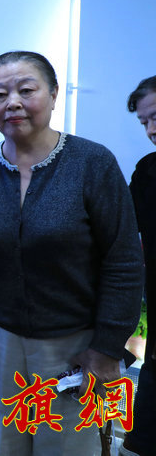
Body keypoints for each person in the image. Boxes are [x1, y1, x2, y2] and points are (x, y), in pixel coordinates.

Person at [0, 51, 144, 455]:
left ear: (54, 94)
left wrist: (107, 347)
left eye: (26, 90)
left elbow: (124, 261)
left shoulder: (92, 164)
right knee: (0, 445)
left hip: (73, 345)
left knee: (67, 446)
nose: (13, 103)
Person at [124, 75, 156, 456]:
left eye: (155, 117)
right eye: (144, 122)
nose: (150, 130)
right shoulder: (147, 173)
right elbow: (119, 236)